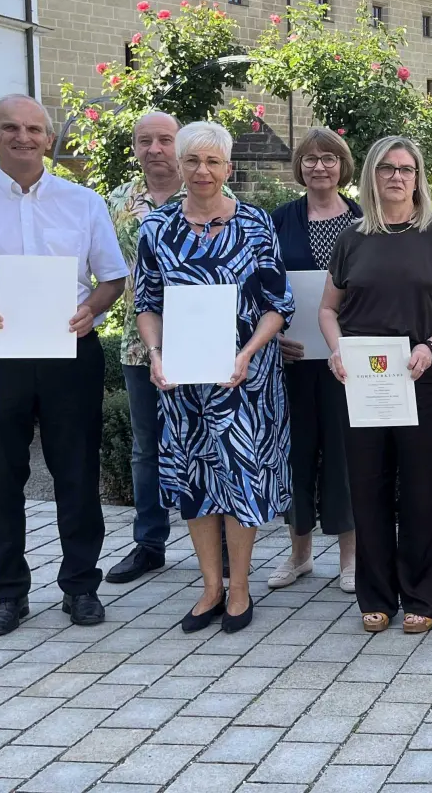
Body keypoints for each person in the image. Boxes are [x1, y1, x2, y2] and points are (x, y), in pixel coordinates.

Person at [0, 94, 129, 636]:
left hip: (70, 349)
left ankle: (81, 585)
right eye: (10, 128)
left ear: (49, 139)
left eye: (34, 129)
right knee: (0, 476)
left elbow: (111, 276)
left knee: (77, 471)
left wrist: (92, 309)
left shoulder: (84, 202)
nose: (23, 137)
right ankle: (9, 593)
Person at [135, 121, 293, 635]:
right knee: (196, 480)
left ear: (228, 167)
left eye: (212, 162)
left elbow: (277, 304)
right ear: (179, 167)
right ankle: (209, 588)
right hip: (182, 384)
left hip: (244, 379)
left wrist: (247, 353)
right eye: (192, 161)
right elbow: (146, 303)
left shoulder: (255, 223)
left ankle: (240, 588)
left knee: (240, 479)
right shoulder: (157, 228)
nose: (202, 171)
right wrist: (156, 356)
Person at [321, 136, 432, 634]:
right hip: (363, 382)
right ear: (371, 175)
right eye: (387, 168)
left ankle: (423, 595)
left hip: (421, 377)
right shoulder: (352, 239)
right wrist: (335, 348)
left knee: (421, 489)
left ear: (418, 177)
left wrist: (431, 347)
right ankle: (376, 595)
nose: (397, 177)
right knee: (366, 487)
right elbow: (328, 308)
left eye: (406, 169)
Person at [268, 128, 363, 592]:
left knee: (346, 457)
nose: (319, 166)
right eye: (310, 158)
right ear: (299, 166)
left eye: (329, 158)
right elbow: (259, 287)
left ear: (343, 165)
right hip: (293, 359)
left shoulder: (367, 221)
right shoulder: (279, 220)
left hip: (350, 362)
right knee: (296, 455)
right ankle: (299, 555)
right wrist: (272, 337)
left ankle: (350, 559)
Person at [102, 111, 183, 585]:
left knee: (206, 443)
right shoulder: (115, 202)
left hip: (205, 343)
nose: (154, 149)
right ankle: (149, 543)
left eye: (164, 140)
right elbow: (102, 268)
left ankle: (215, 542)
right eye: (144, 141)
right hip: (140, 346)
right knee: (146, 448)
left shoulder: (217, 195)